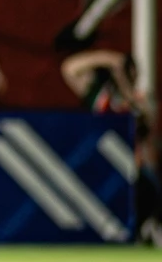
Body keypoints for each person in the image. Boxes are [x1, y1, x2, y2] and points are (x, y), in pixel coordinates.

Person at [61, 49, 160, 243]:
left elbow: (146, 123)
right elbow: (69, 69)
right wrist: (108, 59)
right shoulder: (101, 97)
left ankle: (146, 232)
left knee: (149, 192)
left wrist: (126, 88)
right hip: (101, 165)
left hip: (131, 168)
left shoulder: (140, 101)